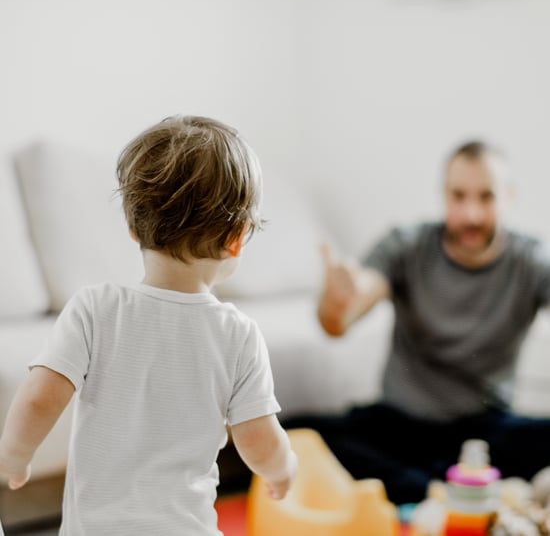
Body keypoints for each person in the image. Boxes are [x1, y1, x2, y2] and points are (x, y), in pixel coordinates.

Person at [0, 115, 297, 535]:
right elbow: (258, 440)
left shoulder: (94, 307)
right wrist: (283, 469)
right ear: (236, 237)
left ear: (133, 227)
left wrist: (15, 453)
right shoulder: (238, 335)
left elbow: (39, 399)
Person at [285, 140, 550, 505]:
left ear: (509, 197)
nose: (471, 213)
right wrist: (337, 300)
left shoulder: (532, 261)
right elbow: (339, 321)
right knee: (292, 437)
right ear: (444, 195)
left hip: (485, 434)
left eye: (486, 197)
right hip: (398, 427)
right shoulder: (406, 246)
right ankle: (441, 490)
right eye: (458, 196)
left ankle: (426, 486)